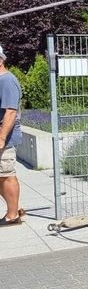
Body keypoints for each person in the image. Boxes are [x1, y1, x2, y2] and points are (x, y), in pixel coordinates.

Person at [0, 44, 24, 227]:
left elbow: (10, 112)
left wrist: (1, 138)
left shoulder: (7, 80)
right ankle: (14, 207)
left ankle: (12, 215)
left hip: (4, 138)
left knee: (6, 174)